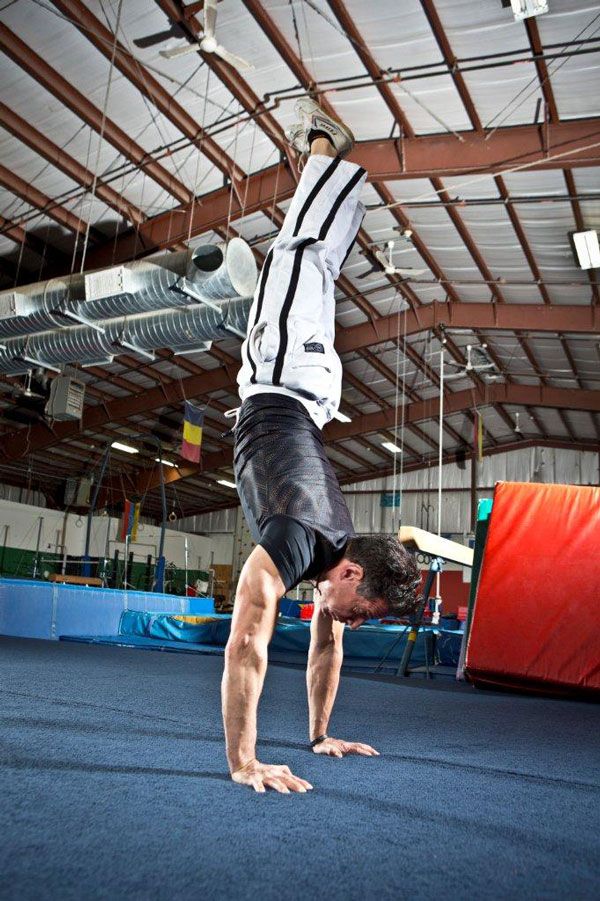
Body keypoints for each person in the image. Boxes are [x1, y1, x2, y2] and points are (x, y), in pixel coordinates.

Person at [222, 100, 420, 793]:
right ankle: (319, 143)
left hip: (307, 393)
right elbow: (248, 634)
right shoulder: (305, 538)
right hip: (282, 371)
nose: (350, 626)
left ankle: (326, 160)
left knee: (318, 268)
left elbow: (326, 646)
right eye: (362, 613)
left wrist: (317, 734)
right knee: (300, 257)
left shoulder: (336, 545)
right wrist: (245, 762)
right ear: (351, 578)